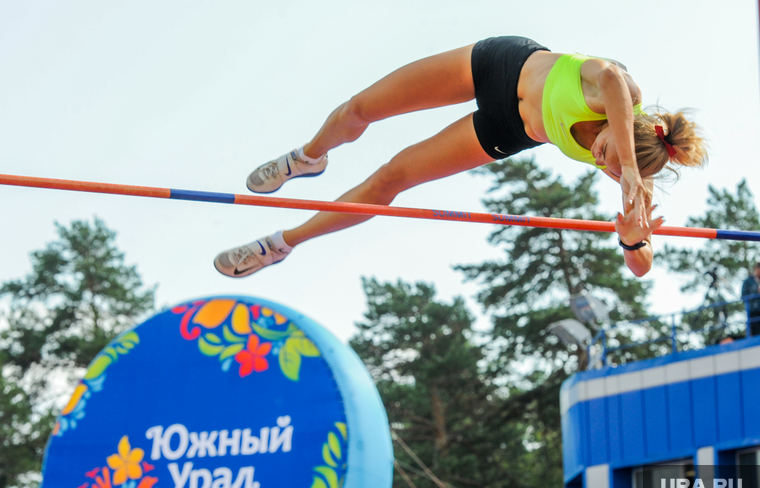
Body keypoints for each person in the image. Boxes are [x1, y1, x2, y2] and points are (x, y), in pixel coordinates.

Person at [214, 36, 707, 279]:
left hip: (507, 129)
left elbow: (643, 266)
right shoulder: (618, 92)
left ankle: (282, 243)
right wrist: (625, 172)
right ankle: (310, 157)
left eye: (607, 168)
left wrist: (631, 240)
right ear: (628, 127)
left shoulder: (625, 170)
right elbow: (616, 82)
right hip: (499, 65)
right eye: (605, 153)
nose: (602, 164)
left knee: (390, 181)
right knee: (361, 109)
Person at [742, 262, 760, 336]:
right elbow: (744, 295)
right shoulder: (748, 281)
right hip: (754, 312)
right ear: (756, 269)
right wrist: (756, 291)